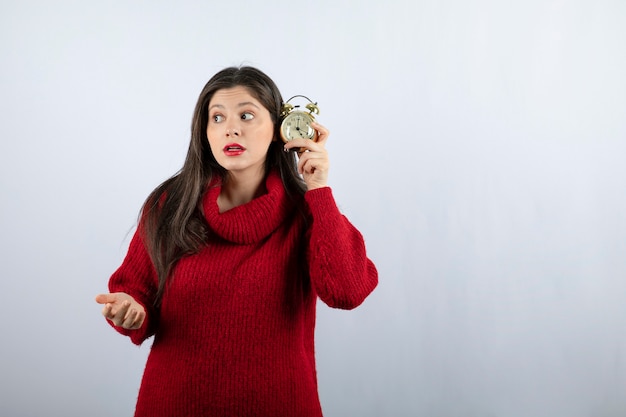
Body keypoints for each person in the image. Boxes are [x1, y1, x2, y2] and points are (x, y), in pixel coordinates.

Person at [95, 66, 378, 417]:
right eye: (217, 117)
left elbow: (347, 291)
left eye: (247, 115)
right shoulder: (171, 205)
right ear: (205, 131)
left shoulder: (307, 213)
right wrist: (129, 309)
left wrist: (319, 189)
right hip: (174, 404)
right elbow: (133, 290)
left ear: (279, 130)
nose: (231, 127)